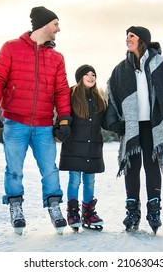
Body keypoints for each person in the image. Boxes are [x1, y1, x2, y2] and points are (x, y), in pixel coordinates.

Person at [0, 6, 72, 235]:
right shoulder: (11, 48)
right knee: (14, 170)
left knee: (50, 170)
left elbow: (62, 90)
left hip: (44, 125)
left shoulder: (56, 58)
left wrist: (64, 119)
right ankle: (16, 207)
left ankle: (54, 206)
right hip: (15, 122)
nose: (58, 29)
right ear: (44, 24)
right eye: (56, 24)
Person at [106, 26, 163, 234]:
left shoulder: (161, 64)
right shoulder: (121, 69)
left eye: (132, 36)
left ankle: (154, 209)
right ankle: (132, 210)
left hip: (153, 125)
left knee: (152, 166)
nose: (127, 39)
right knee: (132, 167)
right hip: (132, 126)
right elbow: (111, 95)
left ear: (143, 40)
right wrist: (113, 122)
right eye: (126, 36)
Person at [58, 64, 107, 232]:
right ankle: (73, 212)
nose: (91, 76)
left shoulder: (100, 99)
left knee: (90, 180)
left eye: (93, 74)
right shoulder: (71, 96)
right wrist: (60, 130)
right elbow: (63, 116)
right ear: (80, 78)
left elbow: (106, 121)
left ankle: (88, 212)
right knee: (74, 180)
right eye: (87, 74)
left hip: (92, 148)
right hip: (74, 147)